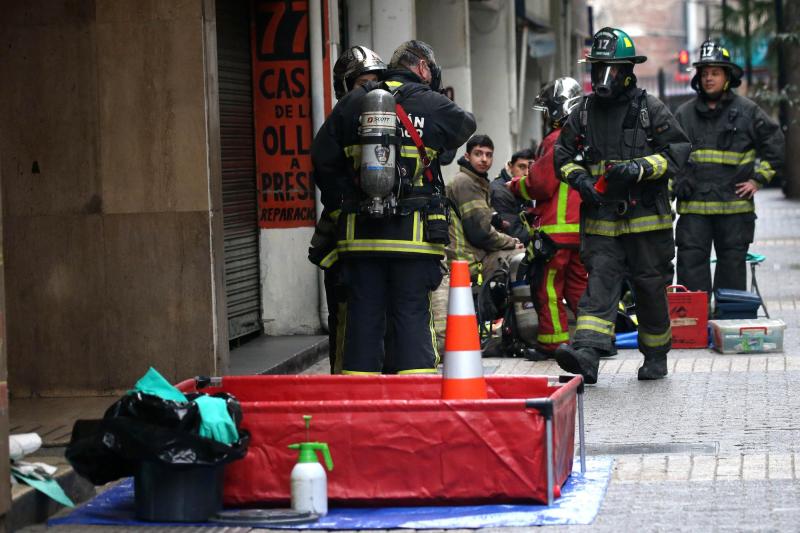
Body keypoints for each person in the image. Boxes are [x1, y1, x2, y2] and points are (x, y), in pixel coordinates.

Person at [311, 40, 476, 374]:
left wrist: (345, 203)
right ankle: (417, 404)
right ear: (423, 68)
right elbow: (465, 126)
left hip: (359, 239)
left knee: (362, 320)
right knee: (412, 316)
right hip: (414, 239)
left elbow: (321, 161)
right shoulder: (431, 103)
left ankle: (359, 407)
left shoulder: (354, 102)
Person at [553, 27, 691, 383]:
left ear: (628, 71)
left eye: (611, 70)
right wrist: (580, 179)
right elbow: (563, 156)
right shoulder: (583, 112)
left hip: (647, 222)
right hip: (601, 222)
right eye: (598, 69)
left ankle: (656, 355)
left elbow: (677, 152)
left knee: (648, 289)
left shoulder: (649, 108)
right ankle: (586, 355)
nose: (604, 78)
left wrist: (640, 168)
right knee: (599, 287)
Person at [673, 40, 784, 295]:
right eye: (704, 73)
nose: (708, 79)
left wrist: (758, 180)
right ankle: (696, 329)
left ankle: (729, 328)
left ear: (727, 77)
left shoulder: (748, 112)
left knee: (732, 274)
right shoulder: (683, 115)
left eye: (715, 73)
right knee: (690, 272)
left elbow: (775, 144)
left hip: (735, 211)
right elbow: (670, 156)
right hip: (694, 212)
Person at [308, 46, 387, 373]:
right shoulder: (338, 124)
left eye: (375, 84)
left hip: (385, 236)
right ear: (345, 86)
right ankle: (342, 378)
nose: (371, 92)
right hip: (346, 243)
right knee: (344, 314)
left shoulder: (390, 122)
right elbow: (325, 171)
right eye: (362, 85)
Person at [507, 77, 587, 359]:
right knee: (580, 289)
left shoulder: (556, 140)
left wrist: (516, 185)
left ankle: (553, 343)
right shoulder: (588, 140)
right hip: (583, 233)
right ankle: (597, 341)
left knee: (548, 288)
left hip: (555, 233)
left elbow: (539, 184)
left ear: (557, 109)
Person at [446, 135, 525, 284]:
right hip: (467, 262)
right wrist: (511, 242)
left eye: (488, 155)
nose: (484, 159)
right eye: (478, 153)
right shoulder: (466, 182)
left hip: (472, 257)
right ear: (467, 156)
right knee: (521, 258)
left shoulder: (477, 181)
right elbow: (480, 233)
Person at [490, 148, 535, 245]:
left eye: (531, 168)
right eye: (522, 167)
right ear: (510, 167)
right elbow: (513, 231)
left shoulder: (524, 189)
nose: (527, 173)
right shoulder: (500, 191)